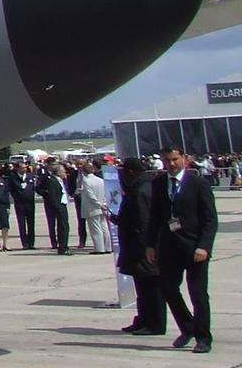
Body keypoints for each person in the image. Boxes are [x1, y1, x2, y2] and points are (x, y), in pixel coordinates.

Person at [148, 146, 218, 353]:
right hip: (170, 248)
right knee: (168, 289)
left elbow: (210, 219)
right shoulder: (159, 184)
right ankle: (188, 327)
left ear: (184, 160)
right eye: (167, 160)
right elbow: (155, 217)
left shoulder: (198, 184)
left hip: (195, 249)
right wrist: (151, 244)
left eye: (175, 159)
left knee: (198, 294)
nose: (171, 164)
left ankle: (203, 338)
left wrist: (204, 246)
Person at [116, 158, 166, 336]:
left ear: (131, 171)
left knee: (151, 288)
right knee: (142, 288)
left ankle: (155, 323)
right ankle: (144, 319)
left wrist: (146, 247)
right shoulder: (141, 187)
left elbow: (144, 222)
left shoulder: (140, 190)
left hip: (142, 249)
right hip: (139, 247)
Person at [78, 162, 112, 254]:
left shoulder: (86, 181)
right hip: (102, 206)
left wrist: (98, 204)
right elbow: (105, 193)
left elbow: (90, 195)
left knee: (96, 229)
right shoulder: (100, 180)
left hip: (93, 208)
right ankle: (108, 247)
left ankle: (99, 248)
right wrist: (104, 203)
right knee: (104, 227)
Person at [37, 164, 71, 254]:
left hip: (63, 204)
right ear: (59, 172)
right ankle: (62, 247)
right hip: (58, 206)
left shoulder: (61, 180)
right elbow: (52, 195)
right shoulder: (52, 180)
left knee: (65, 227)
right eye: (63, 172)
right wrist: (56, 205)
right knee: (62, 227)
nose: (65, 174)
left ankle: (64, 245)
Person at [8, 162, 38, 249]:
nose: (24, 169)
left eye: (25, 168)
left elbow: (33, 188)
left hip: (30, 202)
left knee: (31, 223)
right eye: (22, 168)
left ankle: (31, 243)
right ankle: (24, 243)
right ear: (18, 169)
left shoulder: (30, 176)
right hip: (19, 203)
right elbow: (11, 190)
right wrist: (17, 197)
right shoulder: (13, 178)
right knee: (21, 223)